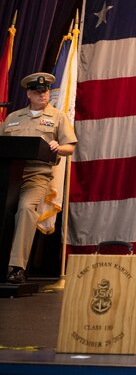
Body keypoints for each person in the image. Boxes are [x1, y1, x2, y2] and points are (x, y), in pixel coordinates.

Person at [2, 72, 76, 284]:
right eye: (37, 91)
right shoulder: (13, 117)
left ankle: (16, 267)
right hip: (10, 175)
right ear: (28, 94)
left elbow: (69, 147)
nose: (42, 95)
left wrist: (58, 147)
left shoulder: (58, 117)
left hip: (37, 175)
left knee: (26, 209)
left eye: (45, 91)